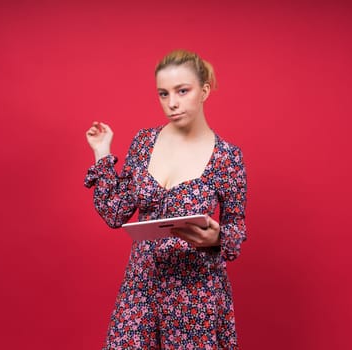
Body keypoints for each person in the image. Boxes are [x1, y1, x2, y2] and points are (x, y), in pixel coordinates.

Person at [84, 49, 247, 349]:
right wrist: (102, 152)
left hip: (195, 293)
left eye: (182, 91)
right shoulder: (145, 143)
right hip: (142, 286)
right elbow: (115, 212)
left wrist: (217, 237)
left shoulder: (227, 157)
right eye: (163, 93)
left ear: (204, 90)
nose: (172, 103)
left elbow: (237, 229)